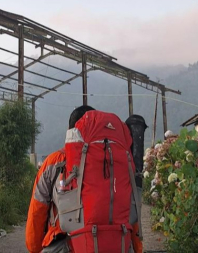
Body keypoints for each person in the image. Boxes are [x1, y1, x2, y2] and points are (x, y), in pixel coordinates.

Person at [25, 106, 143, 253]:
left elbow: (37, 211)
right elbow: (132, 211)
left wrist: (34, 248)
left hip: (66, 245)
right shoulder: (119, 163)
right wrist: (137, 248)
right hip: (119, 244)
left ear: (70, 132)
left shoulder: (54, 162)